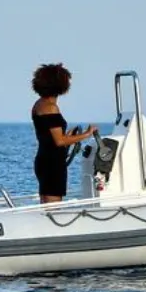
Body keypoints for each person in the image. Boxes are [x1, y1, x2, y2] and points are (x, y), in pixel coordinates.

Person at [30, 63, 97, 203]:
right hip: (52, 163)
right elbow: (59, 141)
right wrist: (87, 134)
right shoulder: (50, 107)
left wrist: (69, 136)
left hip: (45, 159)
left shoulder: (39, 104)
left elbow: (50, 136)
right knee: (53, 207)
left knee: (46, 203)